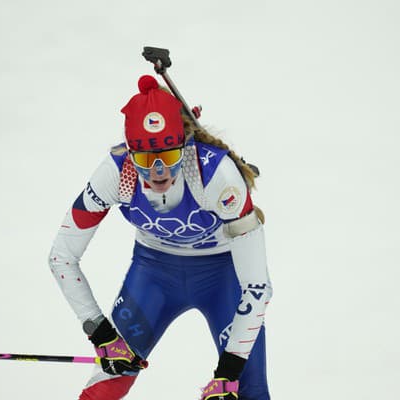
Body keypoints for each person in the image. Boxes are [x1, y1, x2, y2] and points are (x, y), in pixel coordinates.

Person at [48, 74, 272, 400]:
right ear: (130, 152)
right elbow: (61, 256)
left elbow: (257, 285)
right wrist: (100, 332)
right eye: (144, 160)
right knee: (104, 389)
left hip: (223, 276)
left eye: (168, 157)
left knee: (248, 392)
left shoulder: (216, 176)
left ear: (184, 145)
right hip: (153, 275)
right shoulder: (116, 173)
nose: (158, 173)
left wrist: (229, 371)